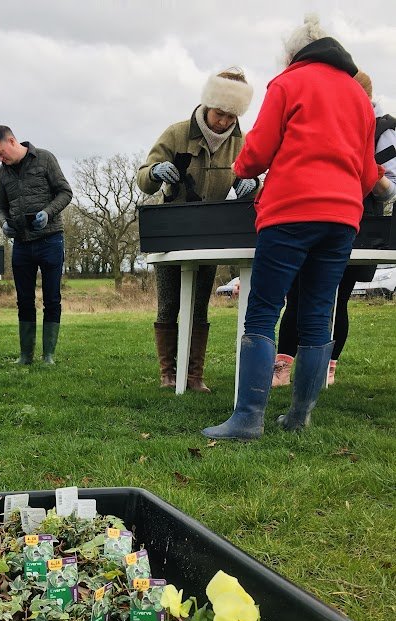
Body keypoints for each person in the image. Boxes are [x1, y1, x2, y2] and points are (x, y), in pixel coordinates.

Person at [203, 15, 387, 441]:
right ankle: (299, 415)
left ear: (293, 54)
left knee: (264, 311)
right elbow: (365, 173)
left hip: (291, 212)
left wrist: (242, 167)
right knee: (318, 316)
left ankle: (248, 418)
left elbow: (258, 153)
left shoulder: (287, 83)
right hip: (342, 217)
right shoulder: (359, 97)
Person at [272, 70, 396, 388]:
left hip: (360, 224)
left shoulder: (385, 130)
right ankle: (282, 366)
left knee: (337, 297)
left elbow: (391, 186)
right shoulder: (325, 118)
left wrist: (367, 174)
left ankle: (324, 368)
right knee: (296, 293)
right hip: (312, 216)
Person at [137, 68, 256, 391]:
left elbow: (253, 175)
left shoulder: (241, 144)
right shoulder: (176, 134)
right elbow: (144, 176)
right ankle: (168, 373)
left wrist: (251, 183)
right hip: (171, 230)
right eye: (220, 114)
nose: (225, 122)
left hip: (211, 232)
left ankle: (193, 375)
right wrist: (156, 172)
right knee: (169, 304)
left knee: (199, 304)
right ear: (208, 105)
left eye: (232, 116)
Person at [0, 126, 73, 365]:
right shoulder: (2, 174)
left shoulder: (45, 159)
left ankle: (49, 357)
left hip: (51, 240)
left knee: (51, 299)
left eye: (2, 153)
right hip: (21, 244)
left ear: (12, 141)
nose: (0, 159)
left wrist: (47, 212)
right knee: (24, 300)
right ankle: (25, 356)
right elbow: (0, 208)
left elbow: (65, 192)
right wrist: (4, 224)